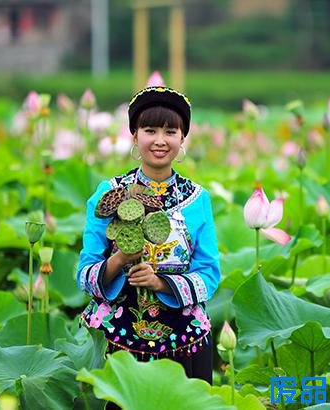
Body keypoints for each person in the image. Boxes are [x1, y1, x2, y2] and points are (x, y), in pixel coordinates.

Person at [77, 87, 220, 391]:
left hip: (184, 338)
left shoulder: (198, 199)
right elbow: (84, 275)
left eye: (170, 131)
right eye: (149, 129)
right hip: (116, 336)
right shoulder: (108, 193)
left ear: (182, 139)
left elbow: (209, 274)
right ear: (134, 135)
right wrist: (120, 260)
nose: (159, 140)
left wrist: (159, 283)